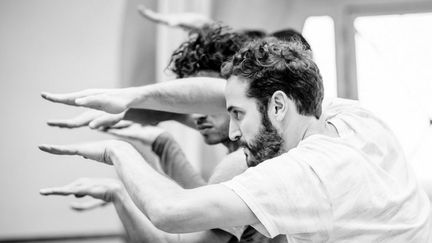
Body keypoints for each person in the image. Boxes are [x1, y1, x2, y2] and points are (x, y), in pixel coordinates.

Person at [40, 37, 431, 242]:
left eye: (238, 115)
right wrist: (135, 97)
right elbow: (220, 94)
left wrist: (118, 151)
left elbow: (171, 212)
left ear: (279, 106)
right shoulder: (352, 117)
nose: (230, 130)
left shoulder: (304, 175)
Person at [43, 24, 282, 242]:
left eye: (202, 103)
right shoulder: (251, 145)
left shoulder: (242, 161)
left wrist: (118, 189)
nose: (197, 115)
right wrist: (156, 126)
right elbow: (180, 113)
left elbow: (175, 232)